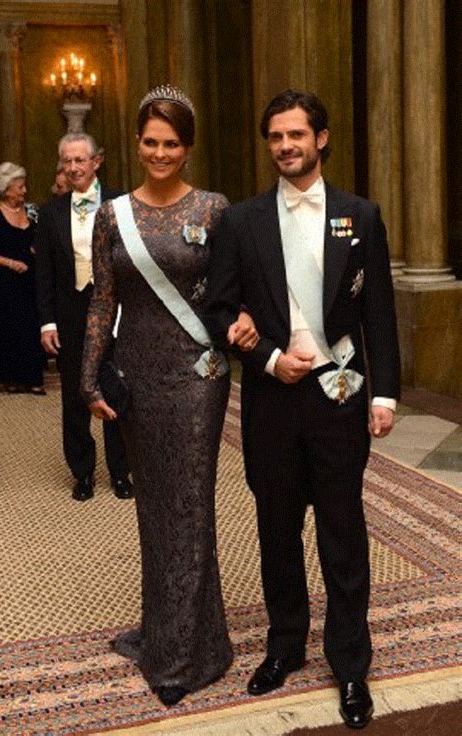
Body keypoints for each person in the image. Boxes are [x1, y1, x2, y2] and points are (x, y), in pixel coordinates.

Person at [204, 90, 400, 729]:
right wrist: (264, 357)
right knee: (277, 531)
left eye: (297, 134)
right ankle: (285, 647)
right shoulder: (241, 222)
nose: (286, 146)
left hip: (339, 397)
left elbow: (379, 315)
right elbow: (220, 306)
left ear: (321, 139)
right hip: (272, 401)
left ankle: (350, 665)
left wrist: (384, 392)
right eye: (276, 137)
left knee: (343, 534)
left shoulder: (360, 215)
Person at [80, 85, 257, 707]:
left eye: (172, 144)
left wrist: (244, 322)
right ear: (137, 143)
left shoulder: (214, 208)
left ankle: (181, 657)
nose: (160, 153)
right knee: (154, 506)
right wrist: (88, 379)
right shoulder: (112, 214)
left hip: (196, 376)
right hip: (138, 376)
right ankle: (168, 628)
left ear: (188, 148)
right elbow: (103, 299)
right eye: (151, 142)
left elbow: (235, 287)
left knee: (189, 505)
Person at [35, 133, 132, 502]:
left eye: (80, 160)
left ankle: (121, 472)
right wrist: (47, 322)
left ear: (96, 162)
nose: (73, 168)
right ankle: (83, 472)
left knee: (117, 388)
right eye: (67, 161)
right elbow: (43, 273)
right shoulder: (50, 213)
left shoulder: (122, 203)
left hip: (117, 310)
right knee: (76, 395)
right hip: (71, 313)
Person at [0, 162, 45, 393]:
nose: (24, 191)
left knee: (32, 325)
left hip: (31, 279)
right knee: (9, 326)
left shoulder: (32, 211)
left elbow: (43, 238)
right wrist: (10, 263)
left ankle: (32, 377)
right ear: (6, 189)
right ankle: (11, 378)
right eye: (19, 187)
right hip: (4, 281)